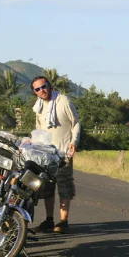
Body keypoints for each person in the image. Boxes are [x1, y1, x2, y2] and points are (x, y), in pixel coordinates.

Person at [30, 75, 81, 234]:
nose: (42, 90)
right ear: (35, 92)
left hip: (63, 152)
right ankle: (49, 220)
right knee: (47, 187)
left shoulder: (63, 101)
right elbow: (38, 129)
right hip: (46, 154)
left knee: (64, 186)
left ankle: (63, 221)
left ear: (49, 86)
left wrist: (74, 142)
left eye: (44, 86)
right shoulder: (38, 107)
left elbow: (76, 123)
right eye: (37, 89)